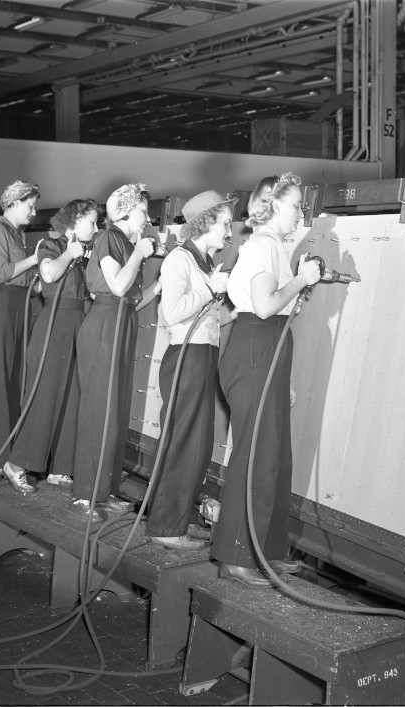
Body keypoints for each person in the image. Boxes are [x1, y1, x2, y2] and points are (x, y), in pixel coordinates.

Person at [211, 173, 321, 588]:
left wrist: (297, 290)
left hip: (267, 349)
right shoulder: (261, 246)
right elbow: (261, 307)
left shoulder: (274, 246)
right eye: (295, 205)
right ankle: (235, 555)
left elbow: (276, 309)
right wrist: (302, 279)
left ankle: (267, 549)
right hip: (255, 347)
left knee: (275, 454)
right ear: (274, 206)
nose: (300, 213)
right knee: (255, 454)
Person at [147, 191, 234, 551]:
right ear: (205, 221)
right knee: (186, 443)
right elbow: (173, 312)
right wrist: (212, 289)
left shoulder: (203, 263)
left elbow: (214, 319)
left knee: (196, 445)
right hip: (186, 356)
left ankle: (173, 523)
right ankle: (166, 528)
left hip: (202, 356)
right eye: (225, 222)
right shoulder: (180, 259)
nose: (230, 231)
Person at [69, 184, 155, 521]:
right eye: (144, 212)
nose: (147, 219)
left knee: (116, 410)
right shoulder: (107, 238)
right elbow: (117, 286)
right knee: (98, 410)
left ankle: (104, 491)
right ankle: (84, 495)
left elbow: (133, 299)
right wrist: (139, 254)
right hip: (105, 324)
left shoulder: (126, 243)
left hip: (123, 322)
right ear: (126, 211)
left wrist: (158, 285)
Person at [1, 199, 98, 492]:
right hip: (54, 323)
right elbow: (48, 275)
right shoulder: (52, 244)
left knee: (72, 398)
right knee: (44, 396)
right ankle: (15, 464)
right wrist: (70, 252)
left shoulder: (82, 253)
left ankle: (60, 469)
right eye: (92, 222)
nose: (95, 228)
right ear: (76, 220)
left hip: (77, 322)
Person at [0, 180, 40, 486]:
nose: (34, 210)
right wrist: (34, 259)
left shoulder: (16, 234)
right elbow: (0, 274)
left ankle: (6, 456)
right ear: (13, 203)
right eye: (31, 204)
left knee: (13, 382)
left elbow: (19, 274)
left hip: (15, 305)